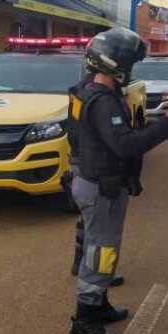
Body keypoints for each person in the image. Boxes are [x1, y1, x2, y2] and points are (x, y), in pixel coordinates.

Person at [67, 28, 168, 334]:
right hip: (100, 187)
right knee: (101, 253)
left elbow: (84, 139)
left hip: (91, 180)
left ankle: (99, 304)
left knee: (102, 248)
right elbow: (124, 146)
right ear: (115, 63)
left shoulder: (84, 91)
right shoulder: (102, 101)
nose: (131, 69)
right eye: (129, 62)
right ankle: (85, 322)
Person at [67, 72, 124, 288]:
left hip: (80, 157)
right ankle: (93, 272)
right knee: (95, 227)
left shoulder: (79, 91)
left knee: (88, 221)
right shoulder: (90, 93)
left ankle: (84, 264)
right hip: (86, 160)